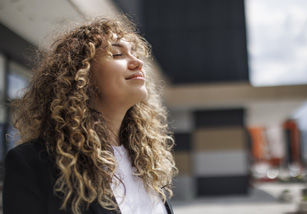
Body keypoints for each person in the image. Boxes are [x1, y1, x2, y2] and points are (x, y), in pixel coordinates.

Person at [3, 17, 177, 214]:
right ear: (82, 75)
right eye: (117, 54)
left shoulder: (146, 162)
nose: (137, 62)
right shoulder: (34, 164)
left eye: (135, 53)